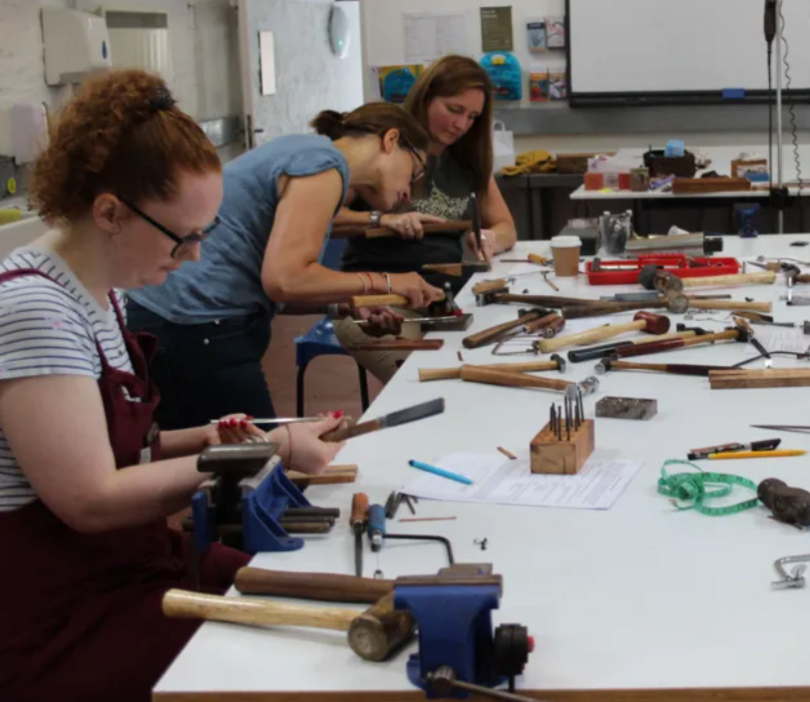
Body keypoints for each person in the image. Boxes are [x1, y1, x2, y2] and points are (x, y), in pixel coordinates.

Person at [0, 70, 346, 702]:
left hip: (123, 569)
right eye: (182, 237)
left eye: (203, 236)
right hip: (60, 614)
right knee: (291, 660)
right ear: (108, 211)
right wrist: (268, 451)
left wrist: (224, 436)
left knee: (314, 595)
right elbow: (91, 498)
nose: (192, 257)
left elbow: (125, 451)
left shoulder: (106, 297)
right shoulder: (35, 312)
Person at [126, 103, 444, 430]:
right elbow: (285, 279)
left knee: (240, 465)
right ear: (391, 140)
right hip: (193, 328)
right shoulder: (323, 164)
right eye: (414, 169)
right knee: (260, 465)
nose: (409, 188)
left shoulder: (309, 154)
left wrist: (345, 303)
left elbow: (275, 287)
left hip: (186, 324)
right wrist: (388, 282)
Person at [334, 55, 519, 383]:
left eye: (472, 116)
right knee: (423, 383)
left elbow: (506, 227)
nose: (461, 125)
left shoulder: (467, 160)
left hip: (448, 299)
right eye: (454, 109)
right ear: (425, 98)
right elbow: (326, 218)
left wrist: (490, 238)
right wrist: (380, 220)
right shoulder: (381, 150)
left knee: (492, 370)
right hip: (380, 301)